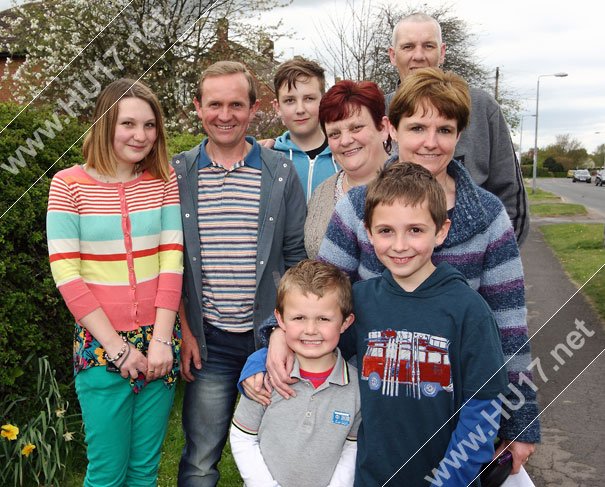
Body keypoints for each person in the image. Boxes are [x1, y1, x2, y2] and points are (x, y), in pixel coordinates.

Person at [256, 68, 539, 474]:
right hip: (379, 405)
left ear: (460, 136)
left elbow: (509, 324)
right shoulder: (357, 208)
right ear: (392, 128)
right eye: (417, 127)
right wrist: (276, 336)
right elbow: (317, 290)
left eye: (444, 129)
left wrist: (520, 419)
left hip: (463, 409)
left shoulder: (489, 216)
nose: (430, 142)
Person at [172, 60, 307, 487]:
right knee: (200, 458)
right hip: (208, 339)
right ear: (197, 106)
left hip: (269, 338)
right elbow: (168, 262)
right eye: (214, 104)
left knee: (279, 457)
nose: (224, 115)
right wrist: (187, 331)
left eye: (235, 104)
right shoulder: (178, 174)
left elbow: (295, 261)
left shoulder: (279, 173)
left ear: (252, 109)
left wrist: (284, 334)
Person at [47, 78, 183, 486]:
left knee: (144, 471)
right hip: (100, 344)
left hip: (160, 341)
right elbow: (67, 274)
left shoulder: (163, 181)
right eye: (128, 123)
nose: (140, 135)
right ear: (105, 124)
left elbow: (171, 260)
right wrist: (118, 350)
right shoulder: (68, 185)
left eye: (149, 125)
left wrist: (161, 341)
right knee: (107, 473)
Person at [387, 12, 529, 245]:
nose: (419, 56)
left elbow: (511, 196)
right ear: (393, 55)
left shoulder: (482, 108)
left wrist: (493, 261)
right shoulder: (376, 111)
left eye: (428, 46)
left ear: (442, 52)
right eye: (408, 46)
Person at [230, 260, 360, 487]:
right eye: (299, 318)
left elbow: (353, 446)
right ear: (280, 320)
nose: (311, 330)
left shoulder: (356, 387)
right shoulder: (267, 377)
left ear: (345, 322)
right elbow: (243, 437)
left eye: (324, 319)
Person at [304, 79, 390, 259]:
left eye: (356, 127)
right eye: (335, 134)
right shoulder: (321, 195)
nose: (345, 141)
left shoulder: (416, 186)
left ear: (383, 128)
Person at [272, 56, 339, 202]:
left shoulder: (343, 155)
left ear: (323, 101)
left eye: (309, 98)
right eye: (290, 100)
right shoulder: (268, 158)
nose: (300, 109)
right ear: (277, 107)